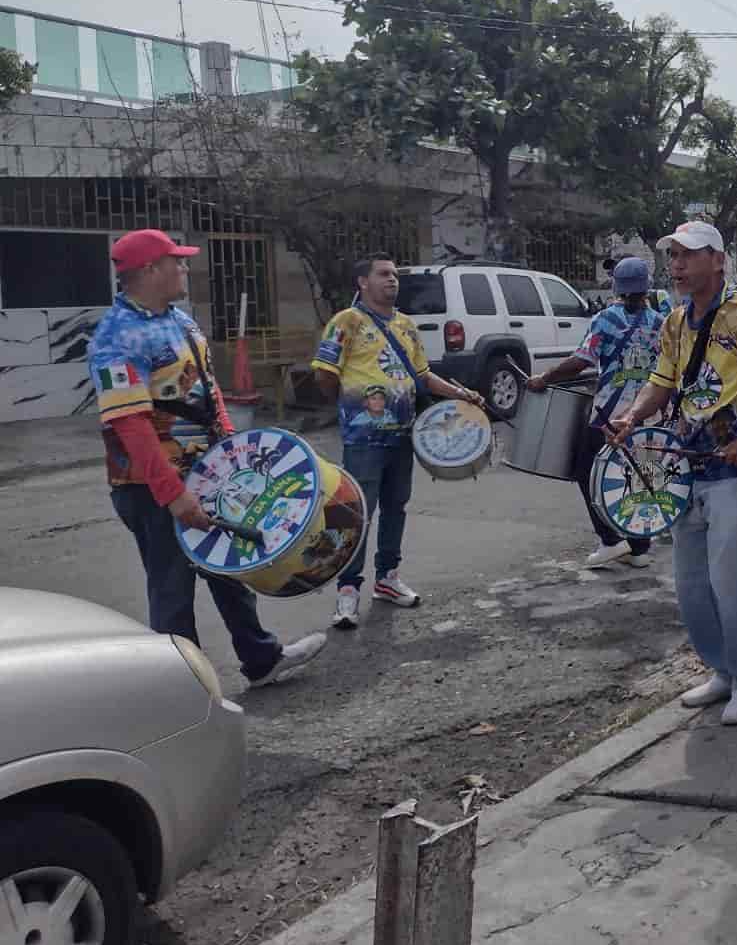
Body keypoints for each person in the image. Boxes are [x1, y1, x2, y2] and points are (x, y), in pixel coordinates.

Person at [90, 229, 326, 687]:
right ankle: (183, 689)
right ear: (150, 270)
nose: (184, 269)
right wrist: (175, 497)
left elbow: (208, 394)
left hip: (206, 474)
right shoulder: (116, 337)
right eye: (176, 262)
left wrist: (233, 454)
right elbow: (130, 426)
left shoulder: (180, 321)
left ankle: (262, 658)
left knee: (228, 571)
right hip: (152, 488)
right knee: (173, 590)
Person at [609, 222, 737, 726]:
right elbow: (660, 381)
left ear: (717, 260)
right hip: (683, 466)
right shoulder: (675, 321)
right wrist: (633, 415)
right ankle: (721, 671)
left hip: (732, 468)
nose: (676, 264)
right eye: (672, 256)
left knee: (734, 581)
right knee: (692, 584)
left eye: (688, 255)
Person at [313, 254, 486, 629]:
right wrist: (349, 405)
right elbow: (325, 374)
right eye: (383, 274)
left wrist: (461, 393)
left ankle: (387, 578)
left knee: (396, 507)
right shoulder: (347, 322)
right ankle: (347, 591)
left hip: (404, 435)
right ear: (363, 282)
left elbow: (423, 376)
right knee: (357, 513)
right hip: (363, 440)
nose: (393, 280)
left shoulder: (407, 326)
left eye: (394, 275)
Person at [527, 256, 665, 568]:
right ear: (646, 288)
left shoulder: (606, 318)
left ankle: (611, 540)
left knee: (587, 473)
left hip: (609, 414)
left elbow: (581, 361)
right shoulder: (660, 322)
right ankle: (639, 546)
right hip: (644, 413)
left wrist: (544, 378)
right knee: (636, 476)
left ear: (616, 286)